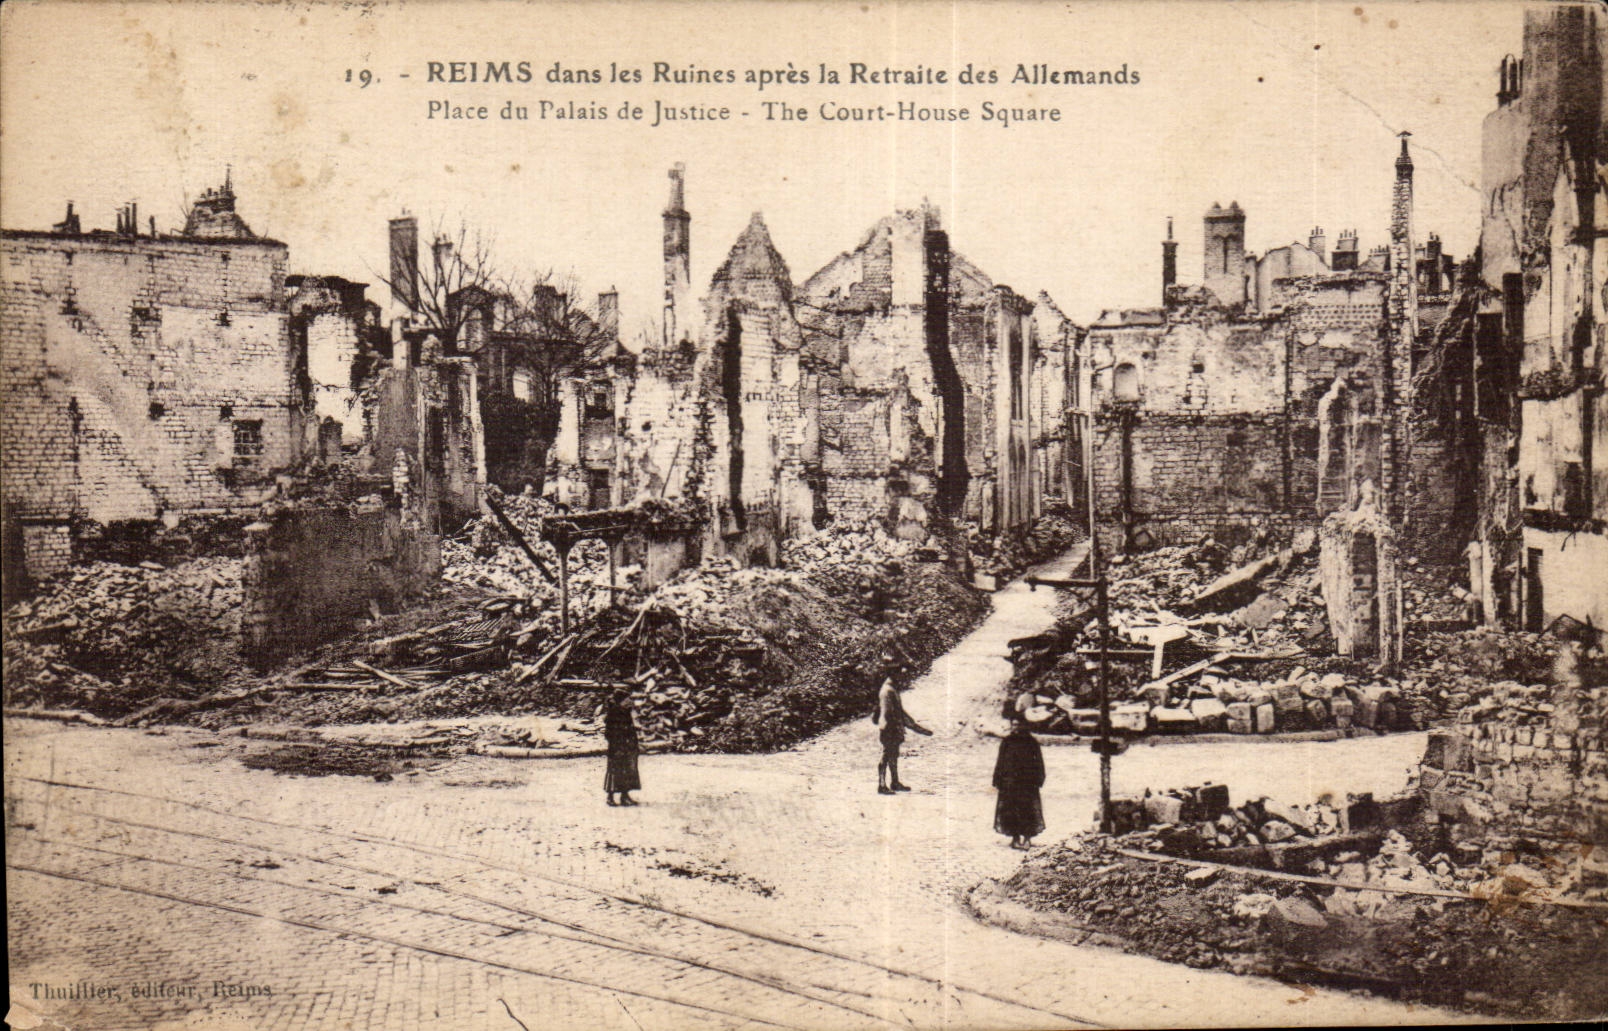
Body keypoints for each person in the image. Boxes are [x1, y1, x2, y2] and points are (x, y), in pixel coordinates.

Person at [992, 714, 1046, 849]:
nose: (1015, 728)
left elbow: (1039, 762)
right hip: (1010, 783)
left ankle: (1027, 839)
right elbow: (1000, 761)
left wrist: (1039, 778)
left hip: (1027, 783)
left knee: (1028, 811)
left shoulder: (1031, 742)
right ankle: (1015, 838)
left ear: (1024, 726)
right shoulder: (1007, 741)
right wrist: (997, 778)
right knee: (1011, 811)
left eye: (1018, 725)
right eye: (1013, 725)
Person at [874, 674, 931, 794]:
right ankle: (882, 785)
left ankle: (894, 782)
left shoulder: (889, 689)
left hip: (890, 727)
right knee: (887, 755)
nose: (903, 680)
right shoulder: (888, 690)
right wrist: (914, 727)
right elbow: (892, 712)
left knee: (893, 755)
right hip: (889, 727)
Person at [603, 688, 640, 806]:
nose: (630, 701)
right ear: (621, 701)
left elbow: (630, 729)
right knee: (615, 771)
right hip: (617, 747)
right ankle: (610, 797)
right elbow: (609, 733)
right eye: (627, 700)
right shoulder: (614, 713)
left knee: (628, 771)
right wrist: (617, 745)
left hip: (628, 746)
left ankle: (625, 796)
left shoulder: (626, 712)